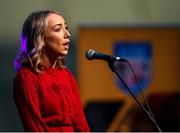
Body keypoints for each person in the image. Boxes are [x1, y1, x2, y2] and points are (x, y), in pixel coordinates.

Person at [13, 10, 90, 132]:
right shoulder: (27, 77)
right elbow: (34, 126)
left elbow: (81, 124)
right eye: (58, 29)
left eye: (66, 28)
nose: (67, 34)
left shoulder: (67, 75)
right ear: (40, 38)